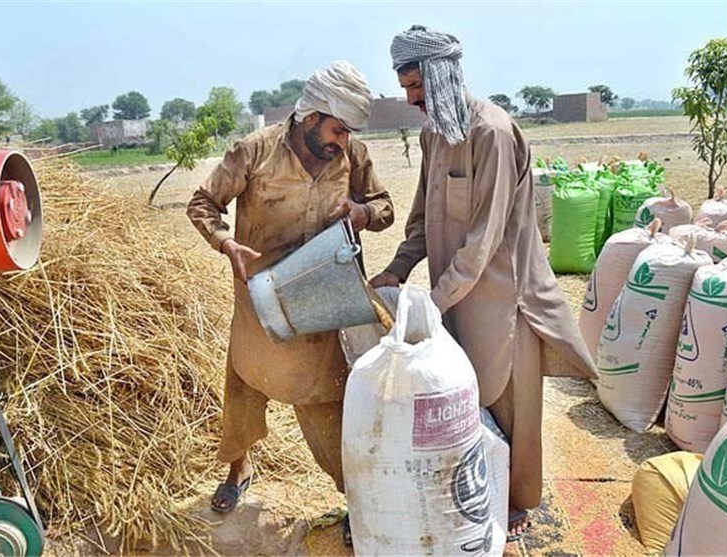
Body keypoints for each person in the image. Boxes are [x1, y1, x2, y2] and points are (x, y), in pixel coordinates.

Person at [370, 25, 598, 542]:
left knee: (510, 402)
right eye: (406, 90)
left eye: (417, 90)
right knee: (463, 396)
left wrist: (430, 301)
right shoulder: (433, 135)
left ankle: (518, 502)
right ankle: (478, 488)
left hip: (502, 295)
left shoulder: (492, 132)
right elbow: (422, 217)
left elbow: (484, 240)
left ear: (444, 77)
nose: (411, 102)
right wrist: (399, 268)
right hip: (452, 294)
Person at [186, 61, 394, 533]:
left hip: (322, 302)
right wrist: (225, 242)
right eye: (337, 129)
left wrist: (361, 213)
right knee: (245, 385)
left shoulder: (352, 155)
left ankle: (355, 497)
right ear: (311, 114)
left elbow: (384, 208)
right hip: (259, 299)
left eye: (347, 134)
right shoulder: (254, 151)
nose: (341, 141)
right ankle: (238, 470)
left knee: (326, 401)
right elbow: (203, 204)